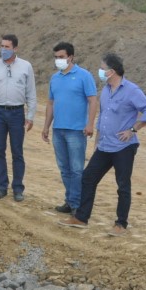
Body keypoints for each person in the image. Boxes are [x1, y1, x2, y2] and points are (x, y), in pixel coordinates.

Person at [60, 53, 146, 236]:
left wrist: (133, 130)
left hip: (124, 147)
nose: (100, 71)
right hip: (104, 145)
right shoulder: (105, 90)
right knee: (88, 177)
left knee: (122, 185)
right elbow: (102, 118)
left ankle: (120, 224)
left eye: (103, 68)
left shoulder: (131, 90)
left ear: (112, 71)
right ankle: (81, 218)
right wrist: (97, 142)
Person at [41, 42, 98, 214]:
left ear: (70, 57)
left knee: (76, 169)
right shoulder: (55, 78)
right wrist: (46, 126)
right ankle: (71, 200)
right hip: (58, 129)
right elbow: (51, 103)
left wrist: (90, 124)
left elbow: (93, 100)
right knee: (64, 168)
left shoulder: (84, 76)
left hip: (76, 130)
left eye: (61, 57)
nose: (58, 60)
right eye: (56, 57)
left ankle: (78, 204)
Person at [0, 34, 36, 201]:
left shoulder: (26, 67)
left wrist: (30, 115)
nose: (3, 49)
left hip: (17, 113)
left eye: (7, 47)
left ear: (15, 49)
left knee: (17, 152)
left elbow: (31, 93)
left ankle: (18, 189)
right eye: (2, 46)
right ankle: (1, 187)